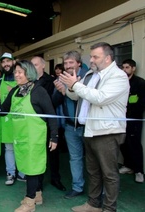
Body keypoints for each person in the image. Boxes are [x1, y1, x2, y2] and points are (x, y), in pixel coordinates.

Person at [59, 42, 129, 212]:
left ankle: (109, 209)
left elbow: (100, 98)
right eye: (91, 56)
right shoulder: (92, 74)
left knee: (109, 174)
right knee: (93, 171)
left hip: (107, 132)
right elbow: (77, 96)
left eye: (95, 57)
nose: (91, 60)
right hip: (90, 130)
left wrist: (75, 85)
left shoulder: (118, 76)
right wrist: (69, 86)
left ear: (108, 58)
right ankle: (93, 204)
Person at [0, 60, 58, 212]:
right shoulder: (15, 91)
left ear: (28, 74)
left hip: (35, 137)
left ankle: (29, 203)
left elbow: (52, 115)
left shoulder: (39, 91)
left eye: (19, 72)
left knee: (32, 168)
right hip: (21, 137)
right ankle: (37, 195)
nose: (16, 75)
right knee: (28, 166)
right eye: (15, 72)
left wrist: (54, 136)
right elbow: (3, 112)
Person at [53, 51, 87, 199]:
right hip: (69, 127)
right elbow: (54, 102)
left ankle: (101, 191)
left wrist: (67, 90)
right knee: (75, 158)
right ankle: (77, 187)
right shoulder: (61, 78)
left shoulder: (88, 77)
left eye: (71, 63)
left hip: (87, 126)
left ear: (78, 63)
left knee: (94, 160)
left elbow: (86, 100)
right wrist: (59, 91)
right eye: (65, 63)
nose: (67, 66)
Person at [31, 56, 66, 192]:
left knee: (53, 153)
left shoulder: (51, 81)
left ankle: (55, 179)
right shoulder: (29, 82)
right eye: (31, 65)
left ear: (43, 66)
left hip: (49, 123)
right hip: (34, 123)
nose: (33, 67)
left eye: (36, 64)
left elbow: (55, 102)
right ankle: (37, 182)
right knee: (38, 153)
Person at [0, 52, 26, 186]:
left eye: (8, 61)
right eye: (3, 62)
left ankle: (23, 172)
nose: (6, 64)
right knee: (9, 148)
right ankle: (10, 173)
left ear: (13, 62)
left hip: (21, 118)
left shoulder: (22, 79)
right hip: (6, 119)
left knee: (21, 146)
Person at [120, 59, 145, 183]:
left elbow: (141, 103)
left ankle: (139, 171)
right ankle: (128, 166)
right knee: (123, 143)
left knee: (134, 144)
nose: (125, 70)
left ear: (133, 68)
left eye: (127, 67)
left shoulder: (140, 83)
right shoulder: (120, 82)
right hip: (120, 119)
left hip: (134, 120)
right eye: (123, 67)